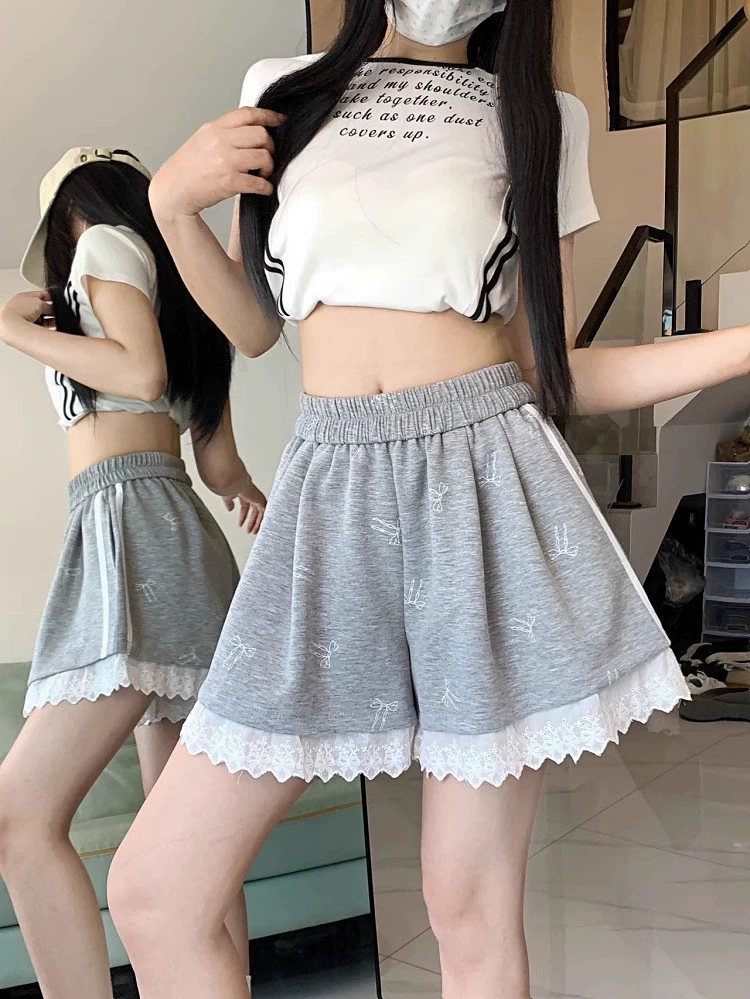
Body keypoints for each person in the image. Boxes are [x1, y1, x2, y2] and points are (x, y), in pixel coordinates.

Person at [106, 3, 748, 997]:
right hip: (330, 491)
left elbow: (552, 370)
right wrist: (172, 205)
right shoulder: (284, 90)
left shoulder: (541, 117)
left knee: (467, 906)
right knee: (157, 889)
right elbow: (255, 327)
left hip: (482, 485)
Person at [0, 147, 265, 999]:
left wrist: (13, 327)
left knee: (17, 816)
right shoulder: (179, 289)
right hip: (173, 532)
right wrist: (250, 494)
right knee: (186, 856)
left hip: (131, 528)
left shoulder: (101, 242)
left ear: (69, 211)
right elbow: (218, 465)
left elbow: (139, 373)